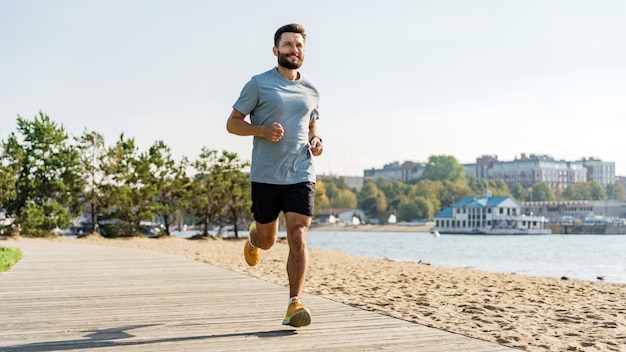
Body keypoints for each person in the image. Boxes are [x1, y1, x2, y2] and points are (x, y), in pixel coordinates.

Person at [226, 23, 323, 328]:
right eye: (288, 45)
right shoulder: (258, 84)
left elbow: (311, 124)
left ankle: (294, 304)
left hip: (301, 172)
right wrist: (262, 130)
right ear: (275, 50)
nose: (294, 50)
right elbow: (233, 123)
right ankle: (254, 240)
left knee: (298, 235)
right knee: (268, 241)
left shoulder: (312, 90)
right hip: (266, 176)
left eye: (298, 45)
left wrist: (316, 141)